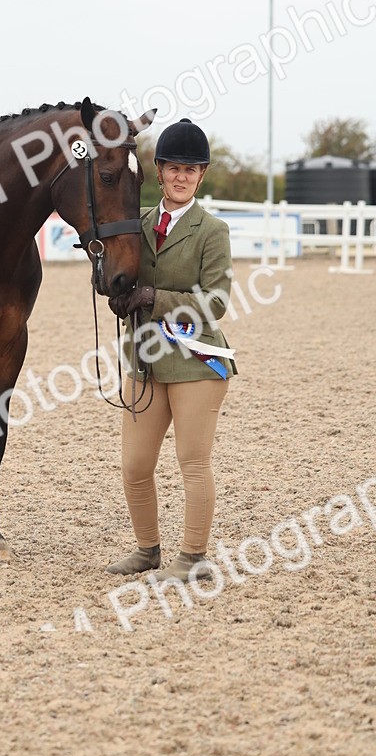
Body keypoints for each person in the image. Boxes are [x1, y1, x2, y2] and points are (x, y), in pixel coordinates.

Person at [106, 117, 237, 582]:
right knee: (135, 464)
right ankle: (147, 549)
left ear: (201, 176)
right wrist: (118, 294)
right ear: (158, 172)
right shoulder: (136, 224)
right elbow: (117, 270)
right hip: (144, 358)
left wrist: (154, 299)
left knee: (192, 462)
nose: (182, 176)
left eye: (191, 169)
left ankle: (194, 557)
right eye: (173, 168)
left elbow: (216, 302)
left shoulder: (211, 230)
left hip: (196, 360)